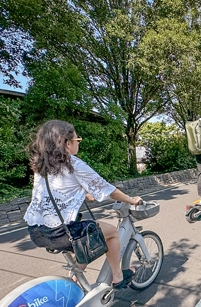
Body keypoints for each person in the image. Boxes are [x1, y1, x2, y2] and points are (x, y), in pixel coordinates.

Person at [24, 120, 142, 290]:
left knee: (84, 238)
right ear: (67, 143)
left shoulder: (42, 165)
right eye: (77, 140)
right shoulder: (73, 164)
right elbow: (108, 190)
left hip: (36, 231)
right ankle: (118, 278)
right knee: (111, 232)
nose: (77, 143)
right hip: (60, 232)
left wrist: (83, 194)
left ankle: (72, 283)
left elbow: (55, 191)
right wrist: (131, 200)